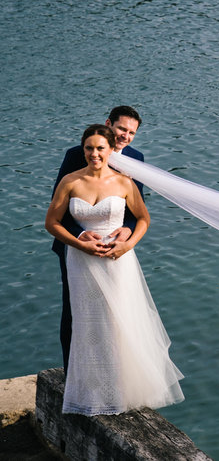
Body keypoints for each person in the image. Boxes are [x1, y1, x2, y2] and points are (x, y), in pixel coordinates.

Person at [45, 124, 183, 415]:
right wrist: (80, 243)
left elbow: (143, 219)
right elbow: (52, 223)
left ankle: (120, 390)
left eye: (100, 148)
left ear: (110, 150)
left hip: (117, 260)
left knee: (117, 320)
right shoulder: (70, 181)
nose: (94, 154)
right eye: (89, 148)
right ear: (82, 150)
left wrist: (127, 244)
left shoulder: (123, 183)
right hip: (81, 260)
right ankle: (89, 391)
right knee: (86, 322)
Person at [52, 106, 144, 371]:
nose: (125, 136)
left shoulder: (137, 159)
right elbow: (58, 209)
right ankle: (73, 372)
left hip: (115, 248)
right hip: (74, 245)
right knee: (75, 310)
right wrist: (80, 236)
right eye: (121, 129)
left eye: (131, 132)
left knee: (116, 310)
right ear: (108, 124)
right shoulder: (75, 156)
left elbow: (137, 210)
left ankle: (114, 371)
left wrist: (127, 231)